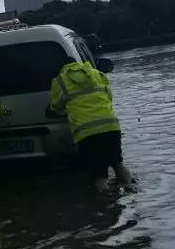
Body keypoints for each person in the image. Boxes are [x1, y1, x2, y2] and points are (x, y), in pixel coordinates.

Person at [48, 58, 133, 193]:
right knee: (117, 162)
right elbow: (108, 97)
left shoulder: (59, 81)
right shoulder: (97, 74)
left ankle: (107, 203)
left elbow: (56, 107)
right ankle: (131, 188)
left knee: (98, 171)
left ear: (62, 68)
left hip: (86, 132)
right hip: (110, 126)